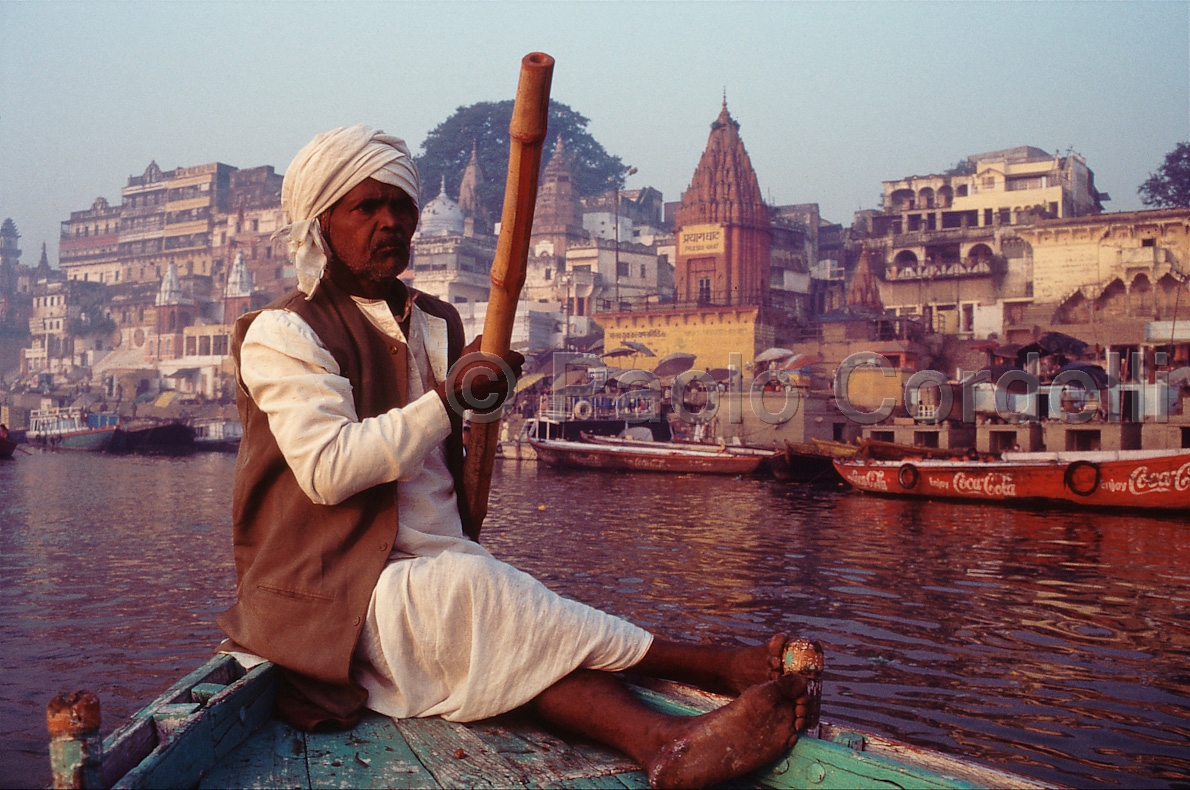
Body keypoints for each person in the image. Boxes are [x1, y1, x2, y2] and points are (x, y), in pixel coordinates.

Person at [218, 124, 808, 789]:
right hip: (328, 589)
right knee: (482, 597)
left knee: (509, 616)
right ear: (321, 223)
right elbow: (330, 471)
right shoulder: (281, 331)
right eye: (366, 207)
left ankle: (672, 734)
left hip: (438, 562)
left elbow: (443, 448)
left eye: (401, 208)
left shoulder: (436, 321)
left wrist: (484, 397)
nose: (390, 223)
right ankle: (703, 684)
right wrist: (452, 399)